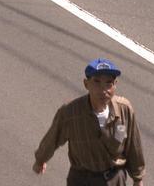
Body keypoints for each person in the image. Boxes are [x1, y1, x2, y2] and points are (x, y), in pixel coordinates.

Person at [33, 58, 146, 186]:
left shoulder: (124, 109)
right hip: (82, 179)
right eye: (97, 82)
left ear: (115, 85)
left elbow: (134, 145)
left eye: (108, 83)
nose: (103, 90)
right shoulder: (71, 112)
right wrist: (40, 160)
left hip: (114, 179)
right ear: (86, 84)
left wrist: (138, 178)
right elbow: (52, 138)